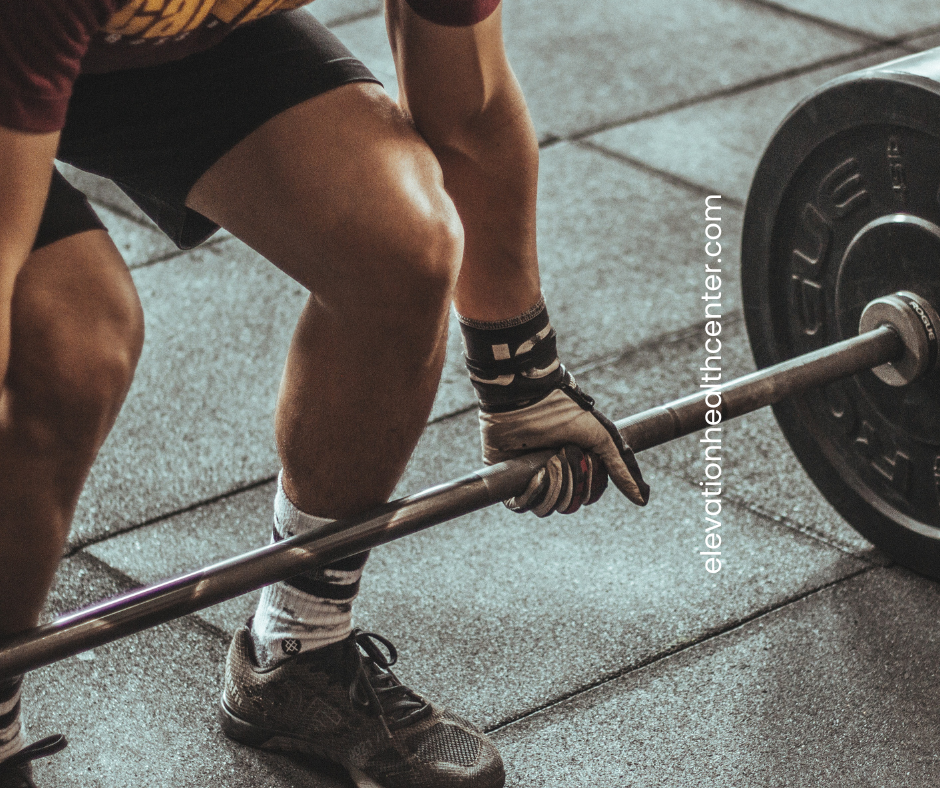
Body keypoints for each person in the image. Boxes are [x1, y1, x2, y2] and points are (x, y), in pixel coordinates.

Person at [0, 1, 649, 786]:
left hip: (142, 40)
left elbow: (468, 115)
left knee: (400, 242)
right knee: (67, 342)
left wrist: (523, 381)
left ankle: (296, 650)